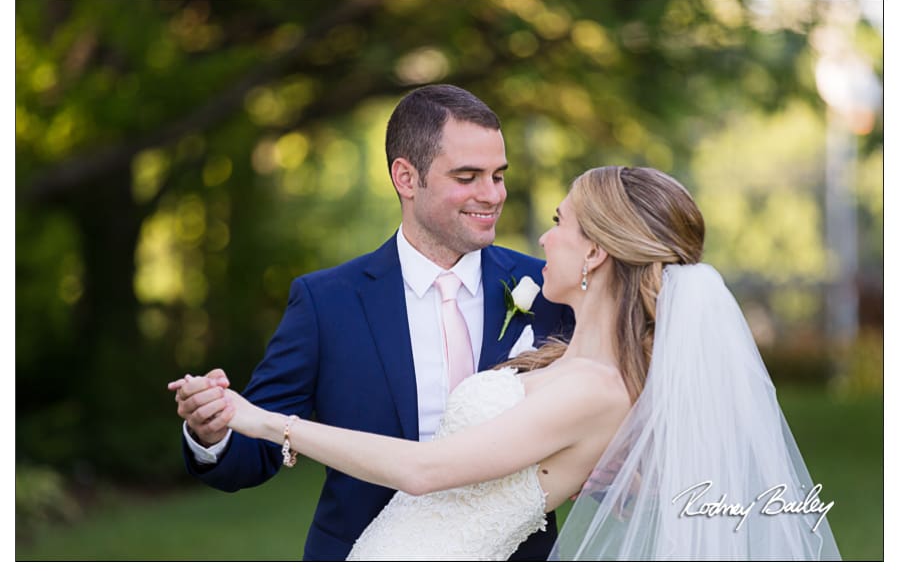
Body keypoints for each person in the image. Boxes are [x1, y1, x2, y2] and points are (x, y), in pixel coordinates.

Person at [172, 165, 841, 560]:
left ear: (597, 253)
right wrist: (224, 427)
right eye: (469, 176)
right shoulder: (562, 358)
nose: (543, 235)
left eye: (560, 222)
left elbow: (425, 470)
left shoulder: (598, 388)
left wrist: (263, 420)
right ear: (407, 177)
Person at [170, 84, 574, 561]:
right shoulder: (326, 303)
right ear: (406, 177)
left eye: (498, 175)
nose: (492, 195)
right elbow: (253, 452)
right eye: (467, 176)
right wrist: (212, 431)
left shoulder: (550, 289)